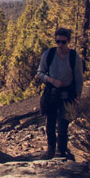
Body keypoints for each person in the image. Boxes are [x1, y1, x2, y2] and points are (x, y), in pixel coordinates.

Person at [36, 27, 83, 160]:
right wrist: (51, 80)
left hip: (67, 94)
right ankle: (51, 150)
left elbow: (79, 79)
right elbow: (40, 73)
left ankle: (61, 151)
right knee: (50, 123)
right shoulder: (48, 54)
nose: (60, 45)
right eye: (58, 41)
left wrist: (78, 97)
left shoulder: (74, 58)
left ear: (68, 41)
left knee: (63, 124)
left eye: (63, 42)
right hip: (51, 93)